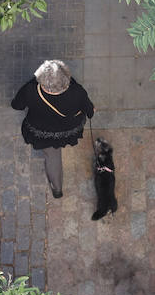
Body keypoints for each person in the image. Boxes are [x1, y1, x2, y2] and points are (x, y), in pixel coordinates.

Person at [10, 59, 95, 199]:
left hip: (43, 132)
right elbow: (90, 111)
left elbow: (16, 105)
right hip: (68, 130)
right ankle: (56, 189)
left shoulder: (31, 89)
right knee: (54, 157)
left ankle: (57, 189)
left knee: (52, 157)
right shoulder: (77, 91)